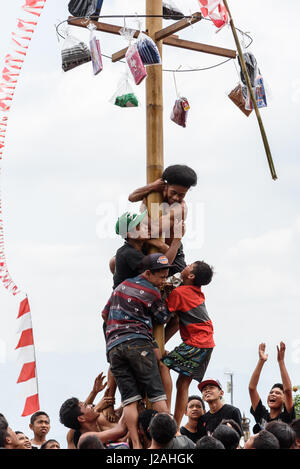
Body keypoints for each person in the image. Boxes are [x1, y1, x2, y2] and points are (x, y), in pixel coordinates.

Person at [102, 253, 172, 449]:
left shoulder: (121, 286)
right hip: (138, 343)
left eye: (166, 276)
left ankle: (136, 445)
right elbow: (163, 317)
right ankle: (170, 437)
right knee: (157, 393)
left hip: (114, 348)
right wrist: (168, 296)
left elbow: (104, 313)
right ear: (148, 273)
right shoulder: (152, 291)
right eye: (161, 276)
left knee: (130, 400)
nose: (163, 280)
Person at [162, 261, 215, 428]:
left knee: (163, 365)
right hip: (207, 342)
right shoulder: (195, 292)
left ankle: (166, 414)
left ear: (191, 276)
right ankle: (176, 427)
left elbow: (162, 312)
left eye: (189, 266)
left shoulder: (180, 293)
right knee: (183, 384)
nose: (186, 266)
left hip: (197, 342)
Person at [128, 164, 197, 276]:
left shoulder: (180, 209)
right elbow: (131, 197)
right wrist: (151, 187)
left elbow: (154, 229)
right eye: (173, 192)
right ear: (165, 186)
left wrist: (143, 214)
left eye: (181, 195)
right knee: (114, 262)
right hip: (146, 246)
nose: (176, 198)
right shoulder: (154, 192)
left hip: (171, 253)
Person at [249, 342, 295, 431]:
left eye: (278, 393)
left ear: (284, 399)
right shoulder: (262, 414)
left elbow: (288, 390)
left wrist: (281, 362)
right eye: (271, 392)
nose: (273, 394)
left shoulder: (286, 417)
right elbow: (252, 388)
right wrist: (261, 361)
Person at [59, 397, 127, 448]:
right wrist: (129, 403)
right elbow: (121, 430)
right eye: (86, 406)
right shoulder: (85, 438)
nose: (91, 406)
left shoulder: (100, 433)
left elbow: (122, 438)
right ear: (81, 418)